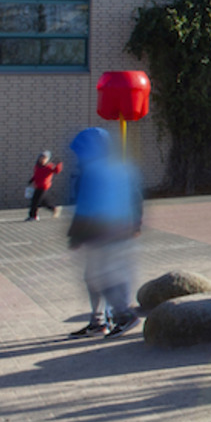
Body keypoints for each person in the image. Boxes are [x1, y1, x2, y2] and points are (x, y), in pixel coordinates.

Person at [66, 128, 144, 337]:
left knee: (102, 276)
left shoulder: (96, 171)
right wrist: (136, 224)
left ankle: (123, 315)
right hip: (113, 230)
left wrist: (76, 235)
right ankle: (99, 320)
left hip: (106, 231)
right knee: (95, 276)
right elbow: (135, 198)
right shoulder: (116, 168)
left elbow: (87, 206)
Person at [26, 150, 64, 221]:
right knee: (43, 202)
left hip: (44, 186)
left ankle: (33, 216)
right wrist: (32, 180)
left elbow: (56, 171)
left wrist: (59, 164)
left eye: (44, 158)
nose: (42, 159)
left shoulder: (49, 166)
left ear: (47, 159)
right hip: (37, 186)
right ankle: (54, 208)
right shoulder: (37, 166)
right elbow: (36, 175)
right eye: (41, 157)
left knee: (35, 201)